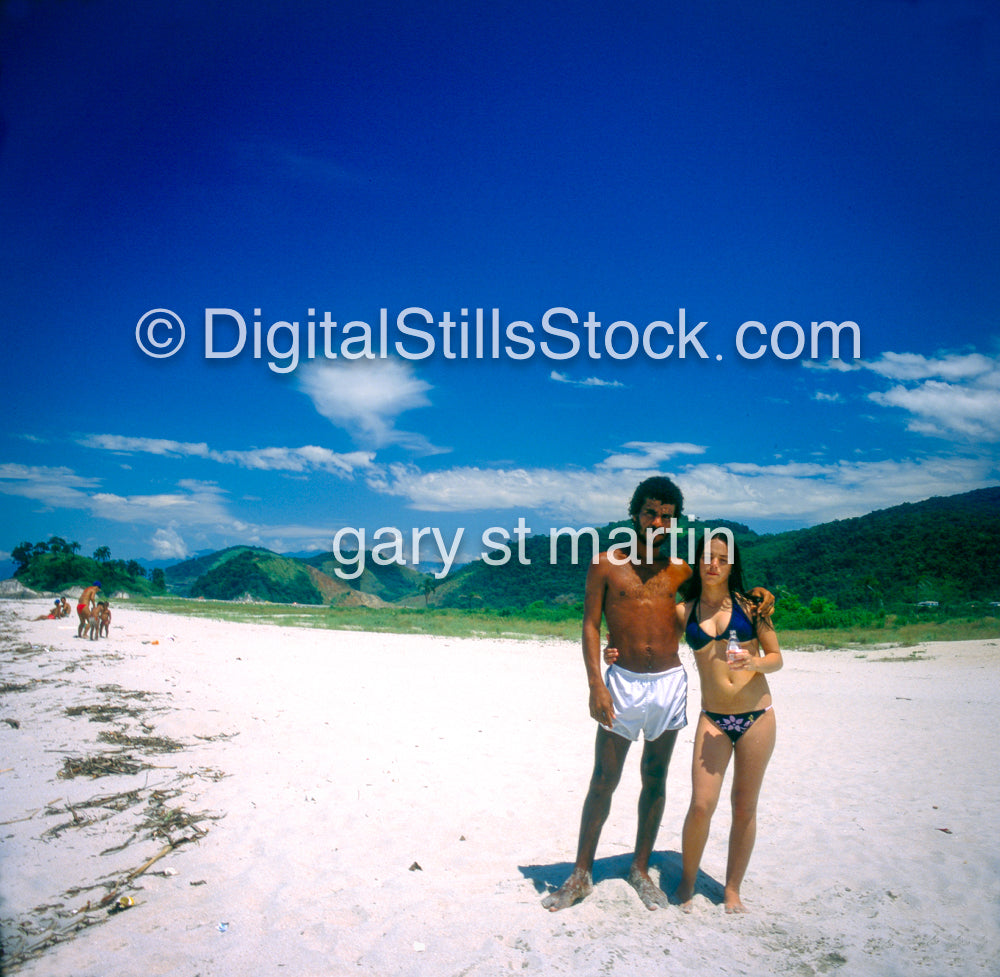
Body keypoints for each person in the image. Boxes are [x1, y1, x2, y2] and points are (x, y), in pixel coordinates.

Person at [542, 477, 773, 913]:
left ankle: (640, 868)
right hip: (622, 683)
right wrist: (595, 683)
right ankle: (580, 873)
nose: (659, 522)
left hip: (669, 683)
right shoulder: (605, 564)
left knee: (655, 776)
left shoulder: (684, 571)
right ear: (635, 515)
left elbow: (725, 592)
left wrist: (761, 594)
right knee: (604, 778)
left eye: (668, 516)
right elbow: (590, 624)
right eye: (651, 513)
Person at [673, 534, 782, 913]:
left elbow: (776, 656)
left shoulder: (752, 607)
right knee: (701, 805)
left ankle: (732, 889)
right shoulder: (683, 611)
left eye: (722, 559)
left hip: (757, 717)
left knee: (744, 807)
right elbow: (652, 642)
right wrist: (615, 647)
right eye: (707, 557)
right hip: (714, 718)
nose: (714, 565)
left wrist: (754, 662)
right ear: (698, 561)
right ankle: (687, 882)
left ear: (732, 565)